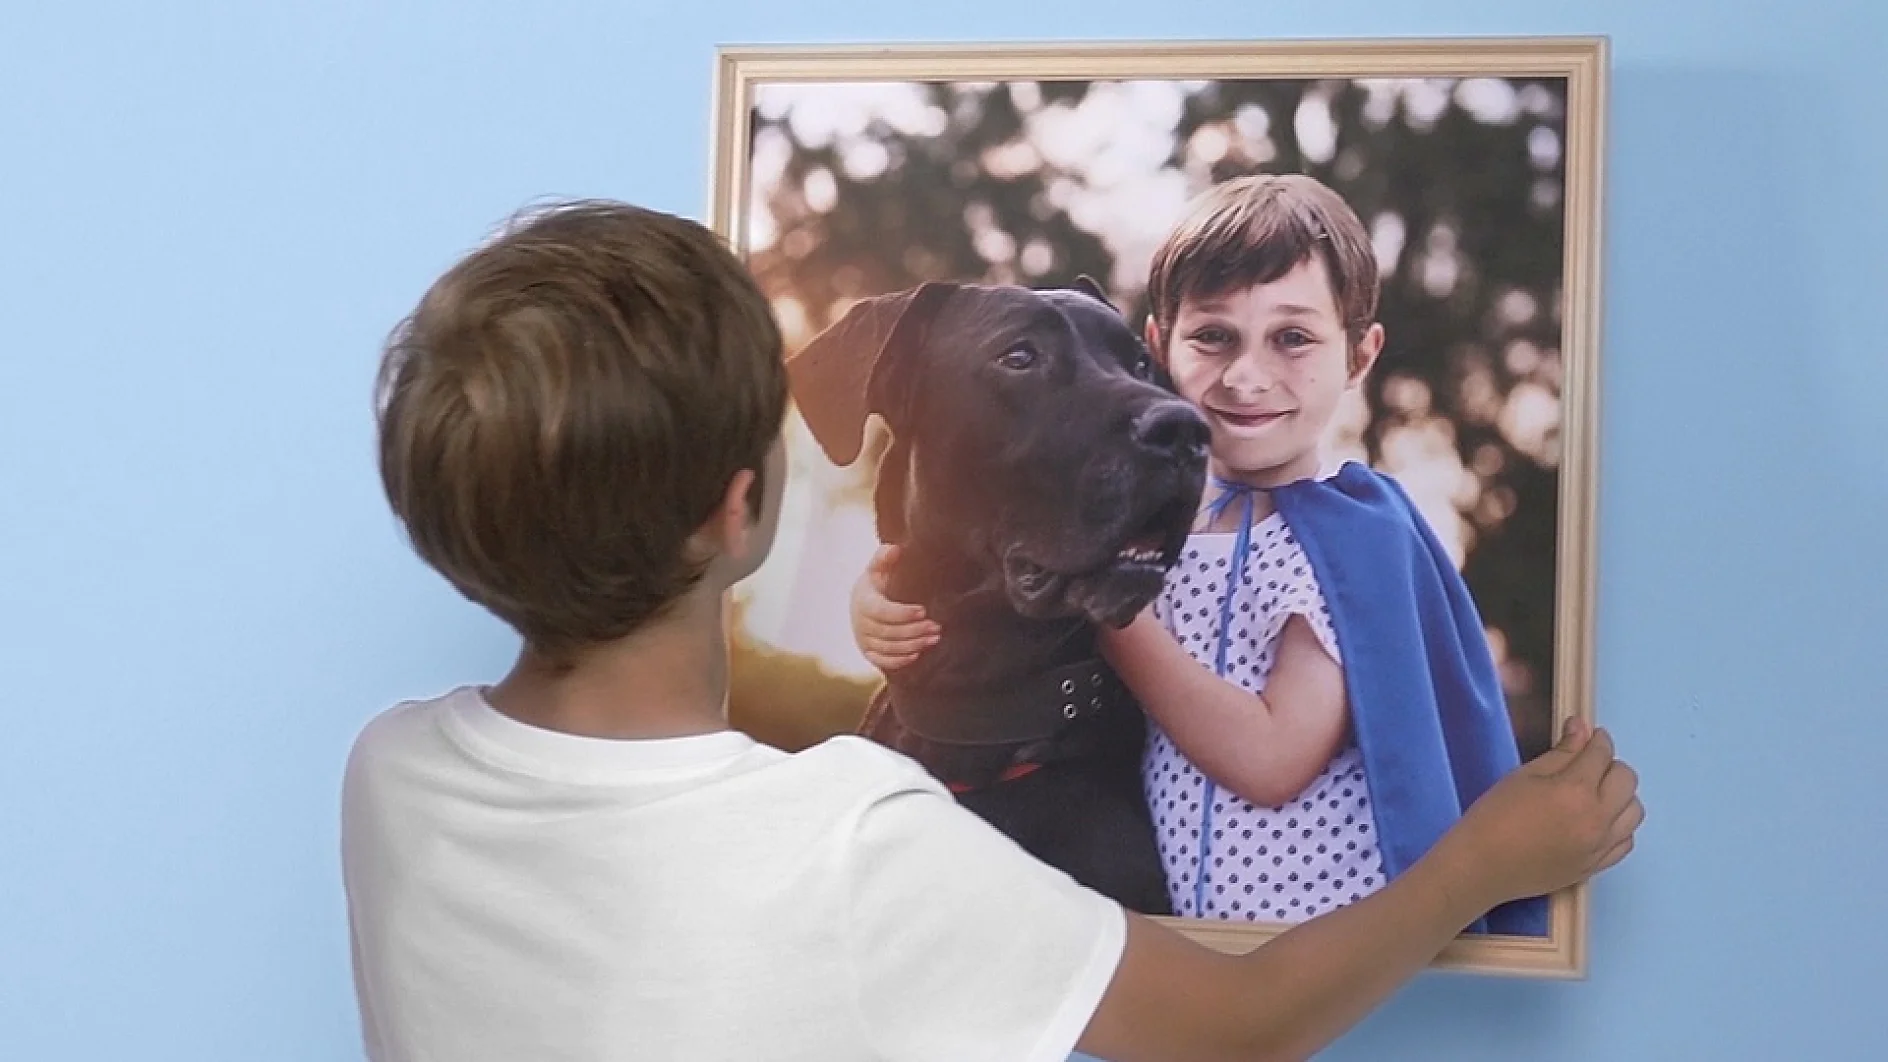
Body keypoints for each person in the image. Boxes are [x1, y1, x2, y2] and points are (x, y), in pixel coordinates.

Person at [342, 197, 1643, 1062]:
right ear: (741, 506)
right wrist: (1485, 862)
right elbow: (1241, 1021)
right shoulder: (852, 837)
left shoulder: (393, 776)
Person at [850, 174, 1549, 936]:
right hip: (1182, 927)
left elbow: (1275, 757)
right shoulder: (1170, 525)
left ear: (1359, 355)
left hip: (1311, 943)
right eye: (1213, 337)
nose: (1247, 377)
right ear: (1158, 347)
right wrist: (880, 598)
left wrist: (1110, 609)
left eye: (1293, 339)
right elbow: (1004, 571)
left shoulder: (1344, 544)